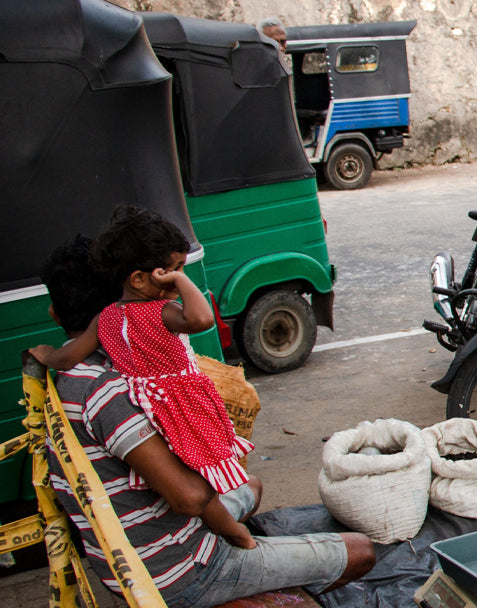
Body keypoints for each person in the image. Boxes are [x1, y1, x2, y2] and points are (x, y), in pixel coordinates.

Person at [35, 236, 375, 607]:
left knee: (252, 485)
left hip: (126, 550)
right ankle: (245, 594)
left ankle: (244, 571)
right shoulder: (107, 390)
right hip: (172, 570)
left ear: (55, 313)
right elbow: (190, 497)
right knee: (360, 550)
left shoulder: (72, 374)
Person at [31, 205, 256, 545]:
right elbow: (202, 319)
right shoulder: (161, 313)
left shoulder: (105, 321)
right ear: (139, 279)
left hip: (153, 409)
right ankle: (235, 532)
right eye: (174, 269)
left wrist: (47, 355)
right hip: (175, 410)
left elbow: (66, 357)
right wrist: (181, 281)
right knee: (205, 475)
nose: (178, 276)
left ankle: (230, 529)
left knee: (202, 474)